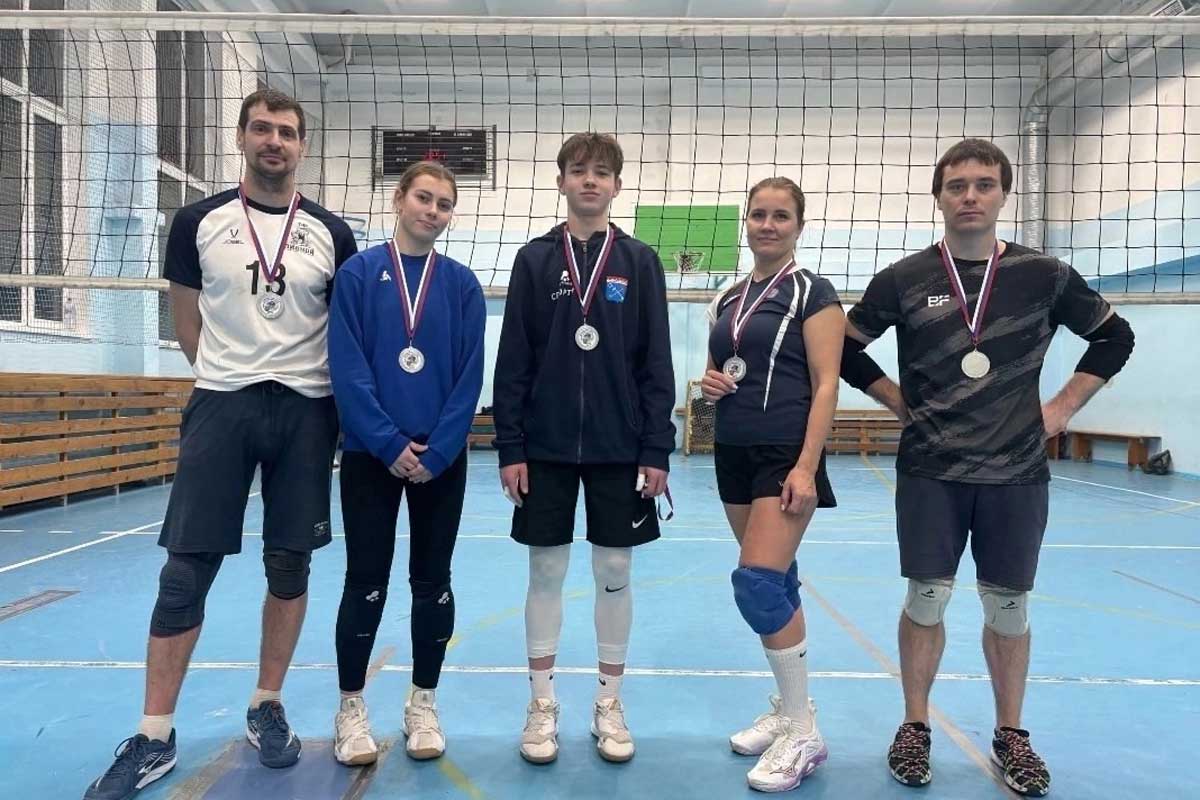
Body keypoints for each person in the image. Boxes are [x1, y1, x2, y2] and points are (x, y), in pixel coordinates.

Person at [83, 89, 357, 800]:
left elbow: (345, 328)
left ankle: (267, 703)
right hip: (223, 404)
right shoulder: (199, 221)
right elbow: (185, 321)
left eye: (288, 132)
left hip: (305, 409)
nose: (275, 141)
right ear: (241, 137)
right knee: (185, 570)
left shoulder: (331, 231)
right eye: (263, 129)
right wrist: (226, 376)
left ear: (303, 146)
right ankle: (153, 734)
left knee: (289, 562)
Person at [840, 138, 1135, 797]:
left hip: (1016, 470)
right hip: (931, 470)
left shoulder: (1044, 275)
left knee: (1008, 607)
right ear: (938, 195)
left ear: (1004, 193)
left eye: (983, 184)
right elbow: (842, 347)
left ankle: (1011, 734)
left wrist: (1058, 410)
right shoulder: (904, 279)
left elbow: (1116, 337)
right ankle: (915, 724)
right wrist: (894, 399)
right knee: (926, 597)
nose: (969, 196)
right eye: (956, 185)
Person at [492, 132, 676, 764]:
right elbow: (513, 358)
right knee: (545, 569)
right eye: (579, 171)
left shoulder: (641, 261)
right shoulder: (534, 260)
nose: (590, 181)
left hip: (620, 447)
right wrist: (508, 445)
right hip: (542, 446)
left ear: (617, 186)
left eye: (602, 172)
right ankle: (541, 704)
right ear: (562, 181)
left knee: (615, 572)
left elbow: (657, 362)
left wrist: (656, 447)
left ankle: (608, 701)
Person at [327, 161, 485, 765]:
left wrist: (440, 449)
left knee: (432, 581)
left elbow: (469, 376)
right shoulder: (359, 275)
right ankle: (350, 707)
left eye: (444, 204)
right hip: (372, 454)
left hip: (442, 460)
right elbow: (347, 367)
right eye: (424, 198)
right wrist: (388, 443)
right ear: (399, 199)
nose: (433, 211)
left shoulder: (463, 284)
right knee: (365, 580)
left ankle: (424, 700)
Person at [700, 177, 844, 792]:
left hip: (784, 452)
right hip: (730, 448)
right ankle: (788, 714)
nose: (767, 224)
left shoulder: (814, 293)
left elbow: (828, 382)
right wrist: (710, 385)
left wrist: (807, 465)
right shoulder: (729, 297)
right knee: (778, 579)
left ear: (798, 226)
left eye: (780, 215)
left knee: (756, 585)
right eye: (758, 214)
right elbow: (725, 368)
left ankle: (805, 732)